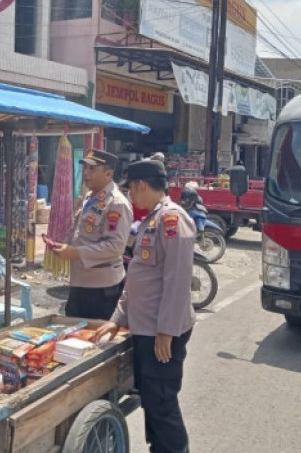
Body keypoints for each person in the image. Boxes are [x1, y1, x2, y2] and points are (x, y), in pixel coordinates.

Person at [97, 159, 196, 453]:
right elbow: (138, 277)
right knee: (152, 398)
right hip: (146, 328)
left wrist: (166, 331)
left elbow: (177, 282)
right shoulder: (152, 220)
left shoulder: (172, 221)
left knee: (162, 402)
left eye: (131, 190)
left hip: (161, 332)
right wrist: (117, 318)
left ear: (141, 185)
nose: (130, 197)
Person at [52, 149, 132, 320]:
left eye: (92, 169)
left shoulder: (117, 203)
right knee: (74, 333)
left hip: (101, 288)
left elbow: (115, 247)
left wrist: (76, 252)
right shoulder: (90, 196)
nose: (86, 173)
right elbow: (81, 232)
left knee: (96, 340)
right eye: (85, 168)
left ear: (108, 173)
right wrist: (65, 245)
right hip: (80, 281)